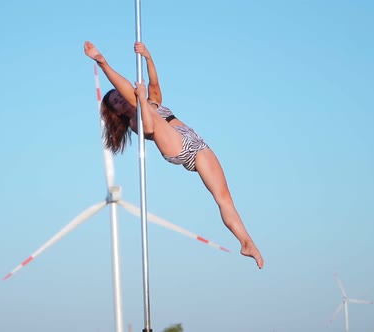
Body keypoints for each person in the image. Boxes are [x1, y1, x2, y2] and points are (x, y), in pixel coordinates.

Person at [84, 41, 264, 269]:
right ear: (117, 112)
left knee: (224, 199)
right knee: (147, 109)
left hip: (196, 144)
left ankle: (247, 242)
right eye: (117, 101)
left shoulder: (150, 101)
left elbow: (154, 84)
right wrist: (135, 95)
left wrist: (148, 58)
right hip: (174, 145)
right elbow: (150, 128)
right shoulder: (133, 122)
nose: (120, 100)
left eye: (119, 96)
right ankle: (103, 62)